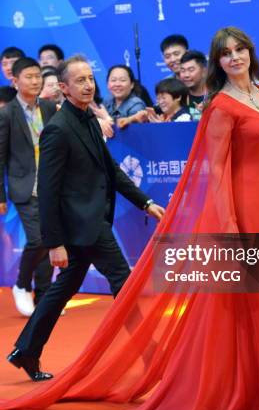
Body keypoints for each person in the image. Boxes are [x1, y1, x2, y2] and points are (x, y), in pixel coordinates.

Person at [1, 28, 259, 410]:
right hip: (236, 218)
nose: (234, 58)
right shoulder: (221, 107)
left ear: (251, 52)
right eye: (225, 54)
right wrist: (229, 227)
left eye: (240, 50)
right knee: (258, 307)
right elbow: (217, 174)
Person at [6, 56, 164, 381]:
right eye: (79, 81)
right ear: (63, 88)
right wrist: (54, 244)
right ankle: (153, 358)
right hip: (83, 226)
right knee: (125, 282)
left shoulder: (89, 119)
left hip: (90, 223)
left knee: (62, 289)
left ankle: (26, 351)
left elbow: (112, 170)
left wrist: (145, 202)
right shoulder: (57, 130)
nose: (88, 85)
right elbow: (47, 193)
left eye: (90, 78)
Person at [0, 58, 57, 316]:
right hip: (24, 186)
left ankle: (44, 297)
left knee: (48, 239)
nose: (35, 81)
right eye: (29, 77)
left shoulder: (48, 107)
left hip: (50, 185)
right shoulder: (6, 113)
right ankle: (22, 284)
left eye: (38, 76)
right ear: (15, 81)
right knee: (38, 239)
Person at [179, 49, 207, 120]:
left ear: (204, 71)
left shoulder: (215, 96)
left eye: (191, 70)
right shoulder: (178, 98)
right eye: (183, 70)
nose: (186, 75)